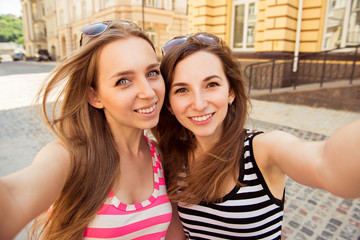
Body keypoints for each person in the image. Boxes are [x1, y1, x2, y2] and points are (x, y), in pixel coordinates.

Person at [152, 32, 360, 239]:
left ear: (231, 92)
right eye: (181, 90)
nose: (199, 104)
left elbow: (325, 163)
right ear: (169, 104)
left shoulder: (264, 150)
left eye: (211, 85)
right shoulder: (172, 157)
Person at [0, 20, 172, 240]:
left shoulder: (159, 155)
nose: (148, 92)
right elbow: (13, 198)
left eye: (152, 73)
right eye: (123, 81)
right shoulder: (70, 157)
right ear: (94, 96)